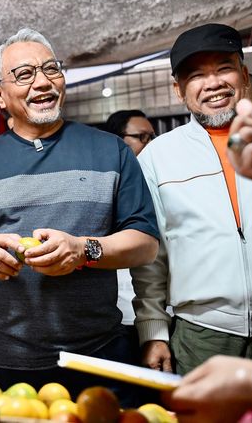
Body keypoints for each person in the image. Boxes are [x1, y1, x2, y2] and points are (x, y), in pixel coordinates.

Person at [0, 28, 160, 403]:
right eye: (24, 75)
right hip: (0, 362)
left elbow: (145, 245)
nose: (42, 82)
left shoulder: (110, 152)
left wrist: (84, 250)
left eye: (51, 69)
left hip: (97, 358)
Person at [132, 23, 252, 376]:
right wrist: (154, 331)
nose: (213, 83)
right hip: (203, 337)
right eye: (196, 75)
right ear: (179, 89)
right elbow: (151, 258)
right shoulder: (158, 157)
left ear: (243, 73)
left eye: (224, 68)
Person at [103, 110, 157, 342]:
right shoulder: (106, 184)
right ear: (117, 140)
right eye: (142, 137)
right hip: (119, 312)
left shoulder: (157, 178)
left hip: (157, 311)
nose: (150, 144)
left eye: (153, 137)